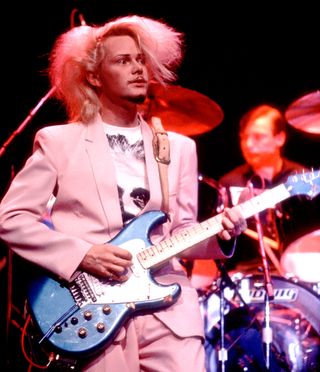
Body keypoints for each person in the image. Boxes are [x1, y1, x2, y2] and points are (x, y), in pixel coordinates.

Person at [0, 15, 247, 372]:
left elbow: (180, 230)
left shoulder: (179, 148)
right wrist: (83, 254)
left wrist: (220, 237)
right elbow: (11, 218)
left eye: (140, 59)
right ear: (95, 76)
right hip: (96, 312)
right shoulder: (59, 141)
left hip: (169, 311)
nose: (137, 69)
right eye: (122, 61)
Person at [218, 103, 319, 275]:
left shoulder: (303, 181)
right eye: (244, 137)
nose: (248, 145)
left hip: (299, 273)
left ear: (280, 138)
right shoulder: (230, 182)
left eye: (258, 137)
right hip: (244, 274)